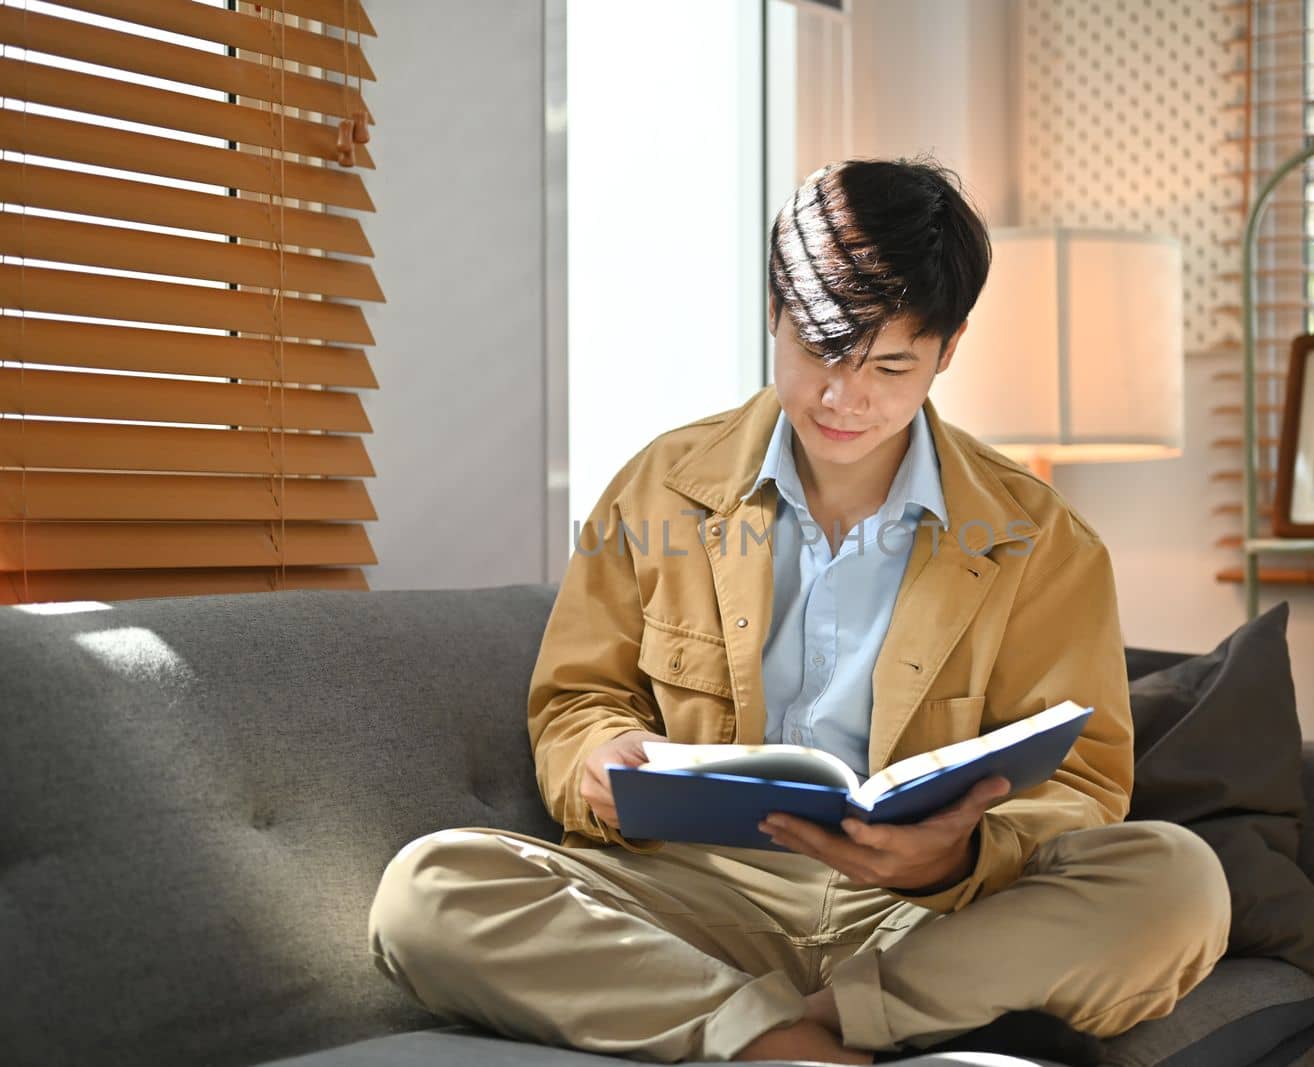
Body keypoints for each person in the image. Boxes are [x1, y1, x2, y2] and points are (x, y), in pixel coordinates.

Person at [367, 157, 1231, 1065]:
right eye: (818, 349)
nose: (843, 396)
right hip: (690, 896)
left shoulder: (1043, 540)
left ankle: (812, 1022)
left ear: (949, 349)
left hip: (927, 917)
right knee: (429, 888)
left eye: (891, 364)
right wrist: (592, 762)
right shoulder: (659, 486)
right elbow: (575, 700)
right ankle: (775, 1036)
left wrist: (956, 857)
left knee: (1179, 885)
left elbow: (1086, 789)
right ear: (774, 314)